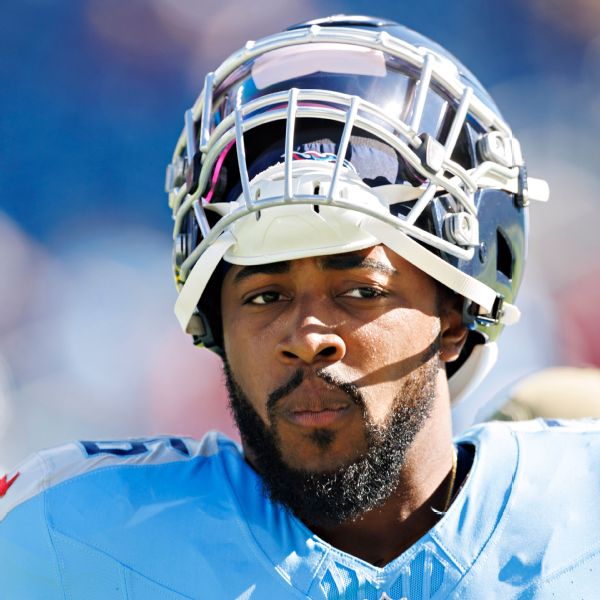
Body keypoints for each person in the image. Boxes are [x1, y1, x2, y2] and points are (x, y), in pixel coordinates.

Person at [1, 14, 597, 599]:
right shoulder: (68, 539)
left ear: (455, 316)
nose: (309, 337)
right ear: (215, 326)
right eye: (266, 296)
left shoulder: (580, 510)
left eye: (360, 291)